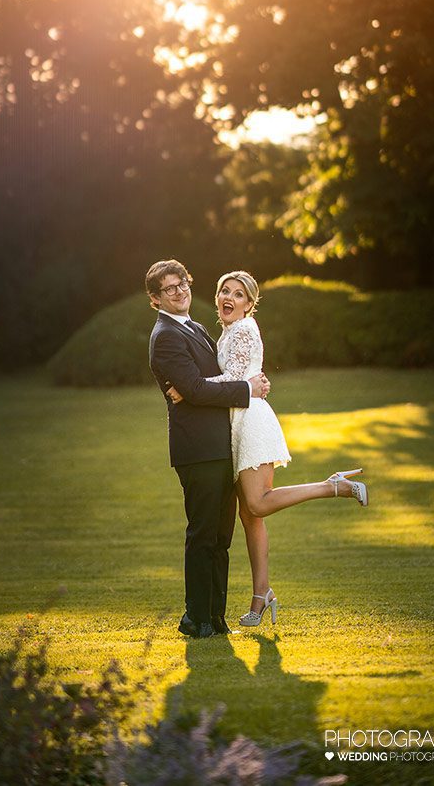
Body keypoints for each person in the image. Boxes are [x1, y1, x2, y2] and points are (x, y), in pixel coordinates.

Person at [167, 270, 368, 628]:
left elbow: (233, 380)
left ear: (249, 304)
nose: (229, 298)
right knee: (250, 516)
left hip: (250, 422)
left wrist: (189, 387)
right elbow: (241, 377)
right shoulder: (228, 331)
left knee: (258, 504)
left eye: (238, 294)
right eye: (224, 291)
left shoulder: (244, 329)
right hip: (235, 422)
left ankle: (332, 486)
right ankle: (262, 595)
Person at [146, 258, 271, 640]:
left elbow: (207, 382)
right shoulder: (166, 336)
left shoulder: (196, 327)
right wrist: (248, 389)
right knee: (202, 535)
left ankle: (216, 618)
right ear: (155, 299)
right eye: (169, 288)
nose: (179, 291)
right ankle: (195, 617)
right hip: (198, 449)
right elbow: (196, 390)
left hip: (221, 445)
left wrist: (244, 383)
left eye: (182, 283)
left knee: (220, 538)